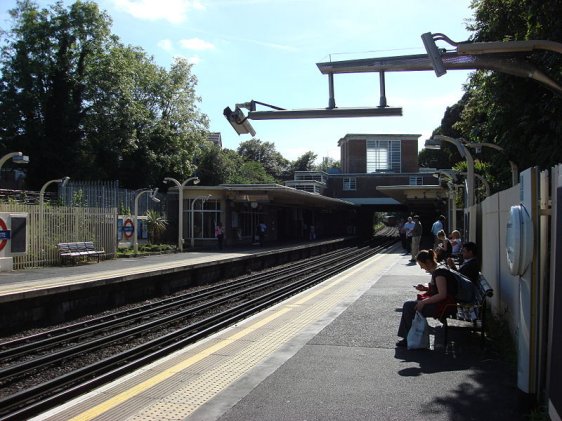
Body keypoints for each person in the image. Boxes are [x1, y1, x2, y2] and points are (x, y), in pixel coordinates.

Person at [396, 249, 458, 348]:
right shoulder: (440, 268)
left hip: (444, 306)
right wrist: (425, 288)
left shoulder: (439, 273)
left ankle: (408, 338)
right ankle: (408, 336)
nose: (421, 268)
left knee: (408, 306)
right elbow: (440, 289)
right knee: (410, 305)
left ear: (428, 262)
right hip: (445, 304)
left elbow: (442, 294)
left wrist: (423, 302)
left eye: (422, 265)